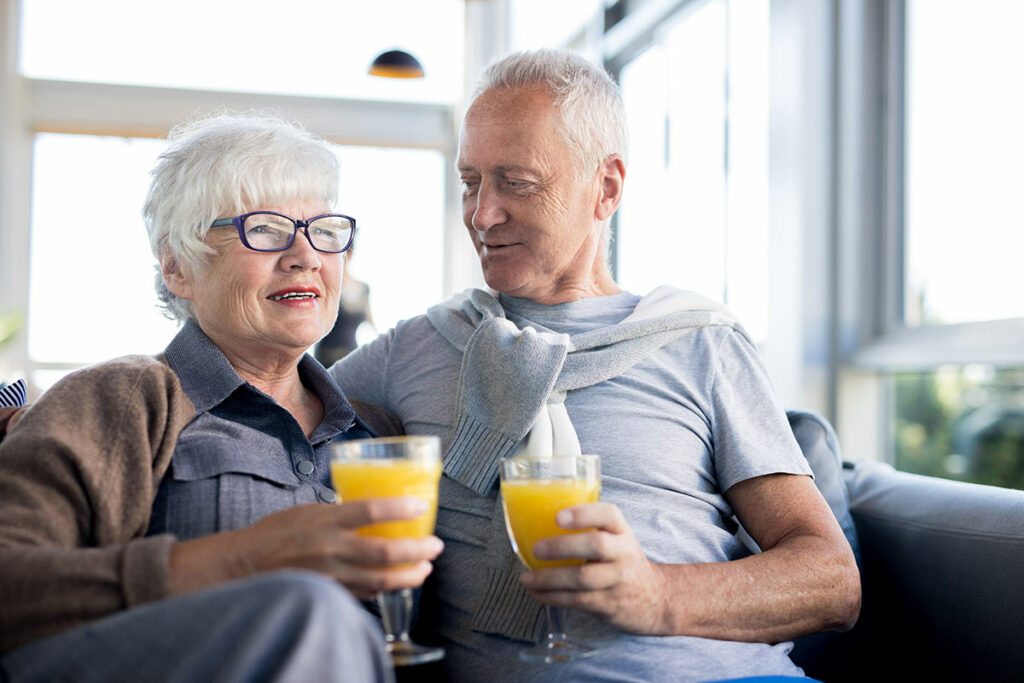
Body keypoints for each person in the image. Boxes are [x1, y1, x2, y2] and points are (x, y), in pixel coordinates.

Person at [331, 49, 861, 682]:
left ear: (605, 187)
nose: (482, 214)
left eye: (517, 183)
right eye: (471, 181)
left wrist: (659, 594)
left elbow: (832, 583)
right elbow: (268, 406)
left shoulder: (701, 343)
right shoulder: (416, 347)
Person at [0, 113, 443, 683]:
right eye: (264, 229)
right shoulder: (120, 400)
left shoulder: (379, 432)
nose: (305, 255)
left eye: (325, 230)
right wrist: (243, 560)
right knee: (309, 610)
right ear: (178, 267)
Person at [316, 242, 375, 366]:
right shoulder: (326, 287)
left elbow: (370, 322)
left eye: (347, 253)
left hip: (352, 356)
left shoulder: (363, 288)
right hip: (325, 358)